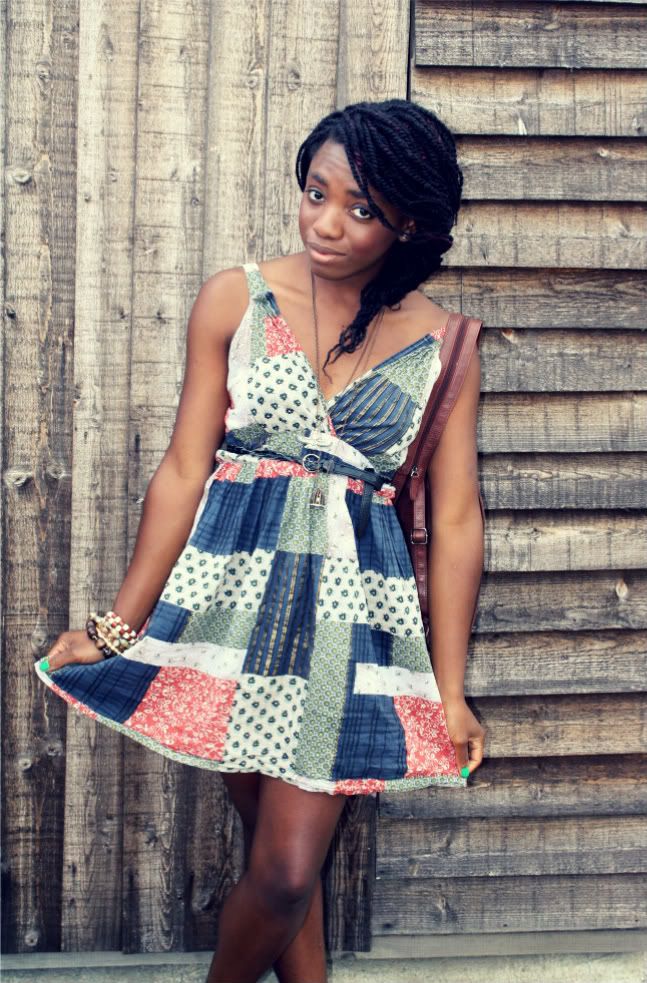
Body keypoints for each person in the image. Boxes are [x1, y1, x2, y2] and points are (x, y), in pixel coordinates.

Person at [34, 99, 487, 983]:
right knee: (281, 862)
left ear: (410, 222)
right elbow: (182, 469)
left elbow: (458, 519)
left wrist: (448, 688)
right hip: (229, 613)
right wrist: (117, 627)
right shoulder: (236, 298)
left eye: (361, 208)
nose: (325, 223)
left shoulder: (447, 345)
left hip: (348, 631)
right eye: (316, 192)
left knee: (283, 872)